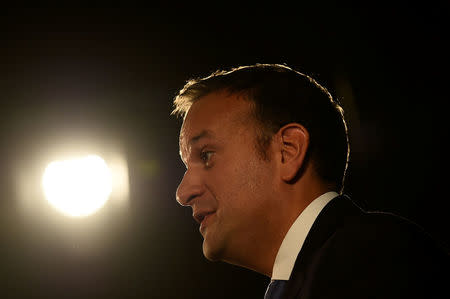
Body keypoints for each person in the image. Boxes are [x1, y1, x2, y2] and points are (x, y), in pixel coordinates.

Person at [171, 63, 448, 298]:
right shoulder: (332, 267)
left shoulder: (377, 257)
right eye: (187, 164)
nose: (183, 193)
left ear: (288, 151)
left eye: (206, 155)